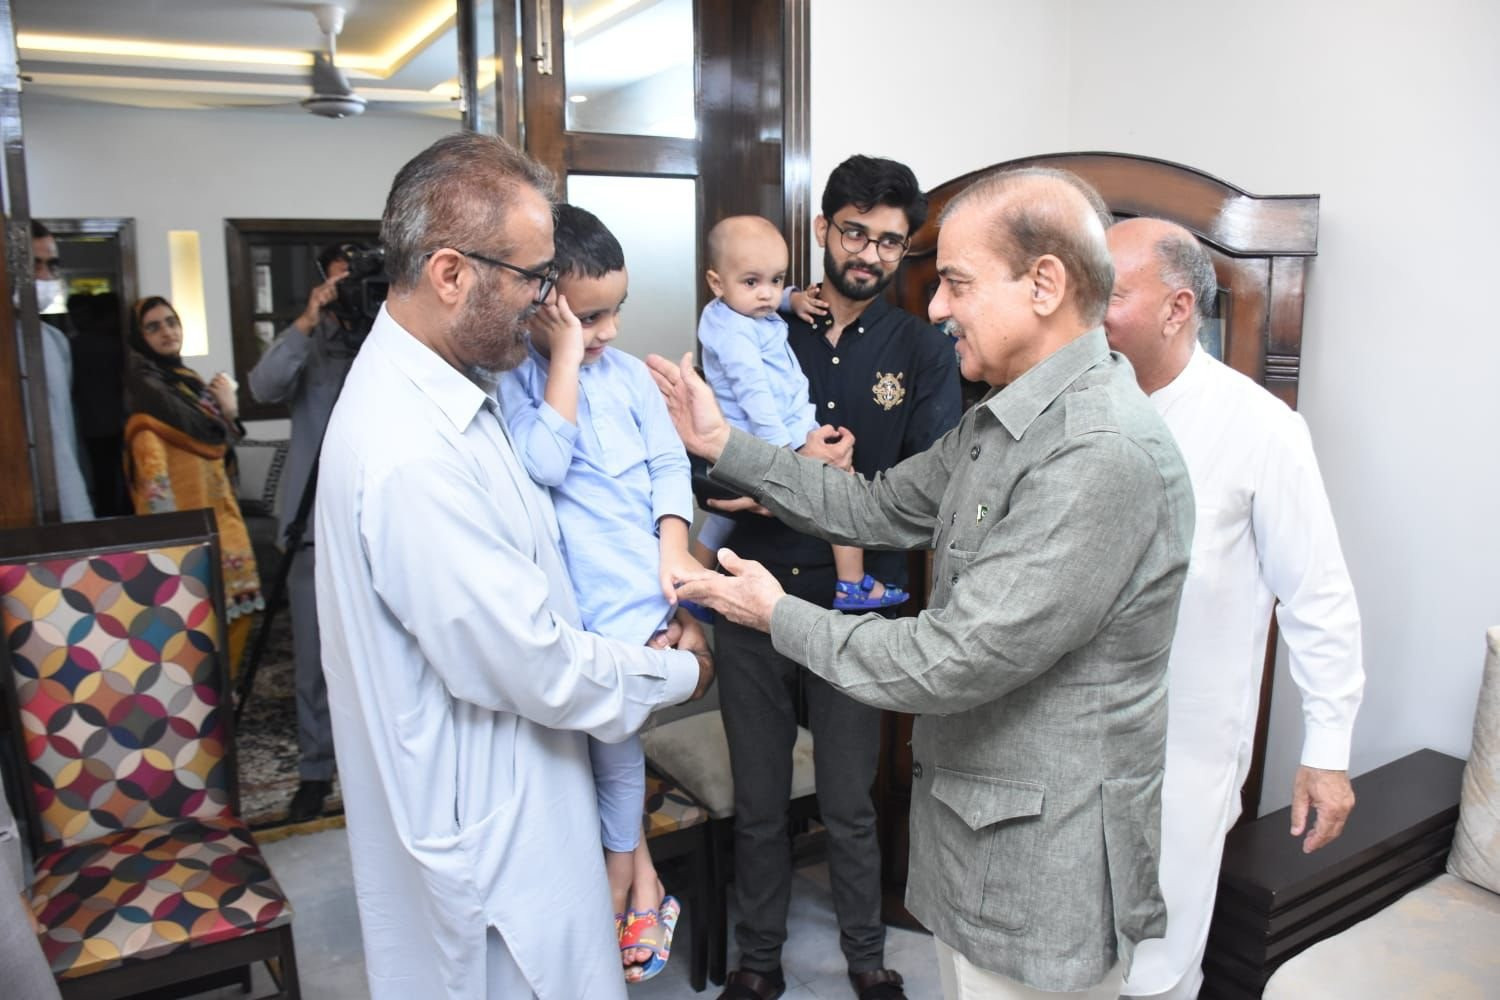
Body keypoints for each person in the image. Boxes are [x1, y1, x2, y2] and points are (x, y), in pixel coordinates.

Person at [652, 166, 1195, 1000]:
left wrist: (777, 614)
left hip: (1043, 877)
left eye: (955, 282)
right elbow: (868, 502)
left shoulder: (1097, 453)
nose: (936, 306)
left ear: (1044, 284)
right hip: (977, 851)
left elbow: (952, 659)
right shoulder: (1006, 419)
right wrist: (726, 442)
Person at [313, 132, 712, 1000]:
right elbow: (529, 660)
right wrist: (680, 669)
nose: (547, 302)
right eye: (534, 280)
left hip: (533, 792)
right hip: (492, 838)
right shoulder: (406, 451)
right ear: (451, 273)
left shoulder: (461, 386)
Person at [699, 156, 963, 1000]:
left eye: (891, 241)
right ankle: (759, 960)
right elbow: (698, 462)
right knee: (762, 799)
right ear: (824, 229)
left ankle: (865, 955)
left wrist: (825, 492)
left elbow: (932, 487)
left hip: (863, 608)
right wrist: (785, 491)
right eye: (856, 231)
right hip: (752, 589)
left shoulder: (923, 346)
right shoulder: (759, 319)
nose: (872, 253)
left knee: (852, 799)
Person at [1104, 217, 1364, 1000]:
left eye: (1109, 293)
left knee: (1157, 968)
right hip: (1070, 744)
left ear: (1177, 308)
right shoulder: (1076, 409)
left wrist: (1327, 748)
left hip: (1184, 754)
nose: (1087, 311)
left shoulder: (1261, 429)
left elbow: (1317, 594)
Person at [498, 203, 701, 981]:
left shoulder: (629, 379)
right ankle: (635, 879)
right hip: (578, 616)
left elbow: (668, 467)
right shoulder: (518, 382)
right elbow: (543, 464)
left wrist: (677, 555)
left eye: (616, 309)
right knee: (599, 757)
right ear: (544, 308)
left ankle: (625, 881)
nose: (607, 330)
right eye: (589, 316)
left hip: (645, 600)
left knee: (614, 752)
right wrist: (561, 361)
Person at [695, 214, 908, 611]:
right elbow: (754, 394)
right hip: (770, 434)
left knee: (724, 518)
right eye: (752, 282)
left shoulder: (736, 310)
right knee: (840, 487)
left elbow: (767, 293)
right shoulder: (736, 336)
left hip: (754, 434)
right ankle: (852, 583)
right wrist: (782, 458)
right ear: (715, 283)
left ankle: (693, 582)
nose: (766, 294)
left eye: (776, 280)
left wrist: (791, 298)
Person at [247, 244, 358, 823]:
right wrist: (309, 319)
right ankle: (316, 771)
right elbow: (262, 386)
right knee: (313, 655)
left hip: (376, 522)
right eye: (340, 283)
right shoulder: (307, 341)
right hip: (312, 522)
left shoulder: (388, 341)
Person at [124, 295, 264, 669]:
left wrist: (229, 409)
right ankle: (203, 701)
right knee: (189, 622)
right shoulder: (148, 399)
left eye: (171, 322)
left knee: (237, 609)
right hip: (185, 529)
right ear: (139, 338)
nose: (167, 331)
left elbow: (218, 443)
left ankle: (222, 690)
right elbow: (154, 485)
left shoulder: (187, 385)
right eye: (153, 327)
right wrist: (168, 545)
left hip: (221, 514)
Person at [28, 220, 93, 522]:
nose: (44, 276)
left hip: (59, 504)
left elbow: (63, 436)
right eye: (33, 265)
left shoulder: (53, 341)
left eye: (51, 265)